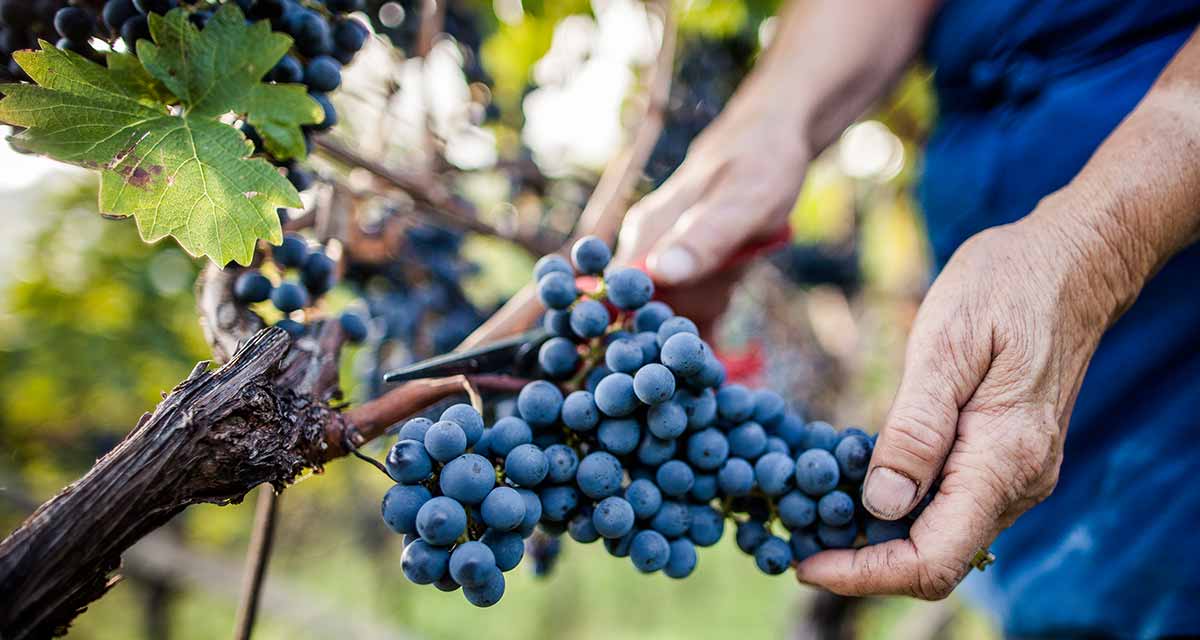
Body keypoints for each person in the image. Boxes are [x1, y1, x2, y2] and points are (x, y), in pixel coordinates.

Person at [615, 0, 1200, 637]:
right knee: (1052, 580)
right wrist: (775, 113)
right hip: (1013, 301)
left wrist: (1100, 247)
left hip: (1174, 322)